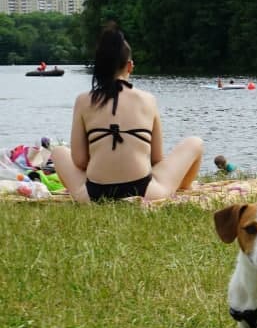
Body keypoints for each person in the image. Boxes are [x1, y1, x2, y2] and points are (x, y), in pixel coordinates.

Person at [50, 21, 203, 202]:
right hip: (145, 191)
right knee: (195, 143)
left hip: (93, 195)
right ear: (129, 66)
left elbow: (80, 161)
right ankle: (184, 187)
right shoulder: (148, 100)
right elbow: (156, 158)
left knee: (59, 151)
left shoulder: (83, 100)